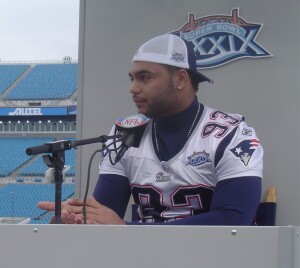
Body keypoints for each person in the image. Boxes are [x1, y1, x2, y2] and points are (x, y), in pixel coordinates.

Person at [38, 33, 263, 225]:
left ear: (181, 79)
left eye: (145, 77)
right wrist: (79, 217)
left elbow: (234, 220)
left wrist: (129, 229)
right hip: (145, 257)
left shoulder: (232, 133)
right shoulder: (124, 133)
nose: (132, 88)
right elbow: (105, 214)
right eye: (132, 78)